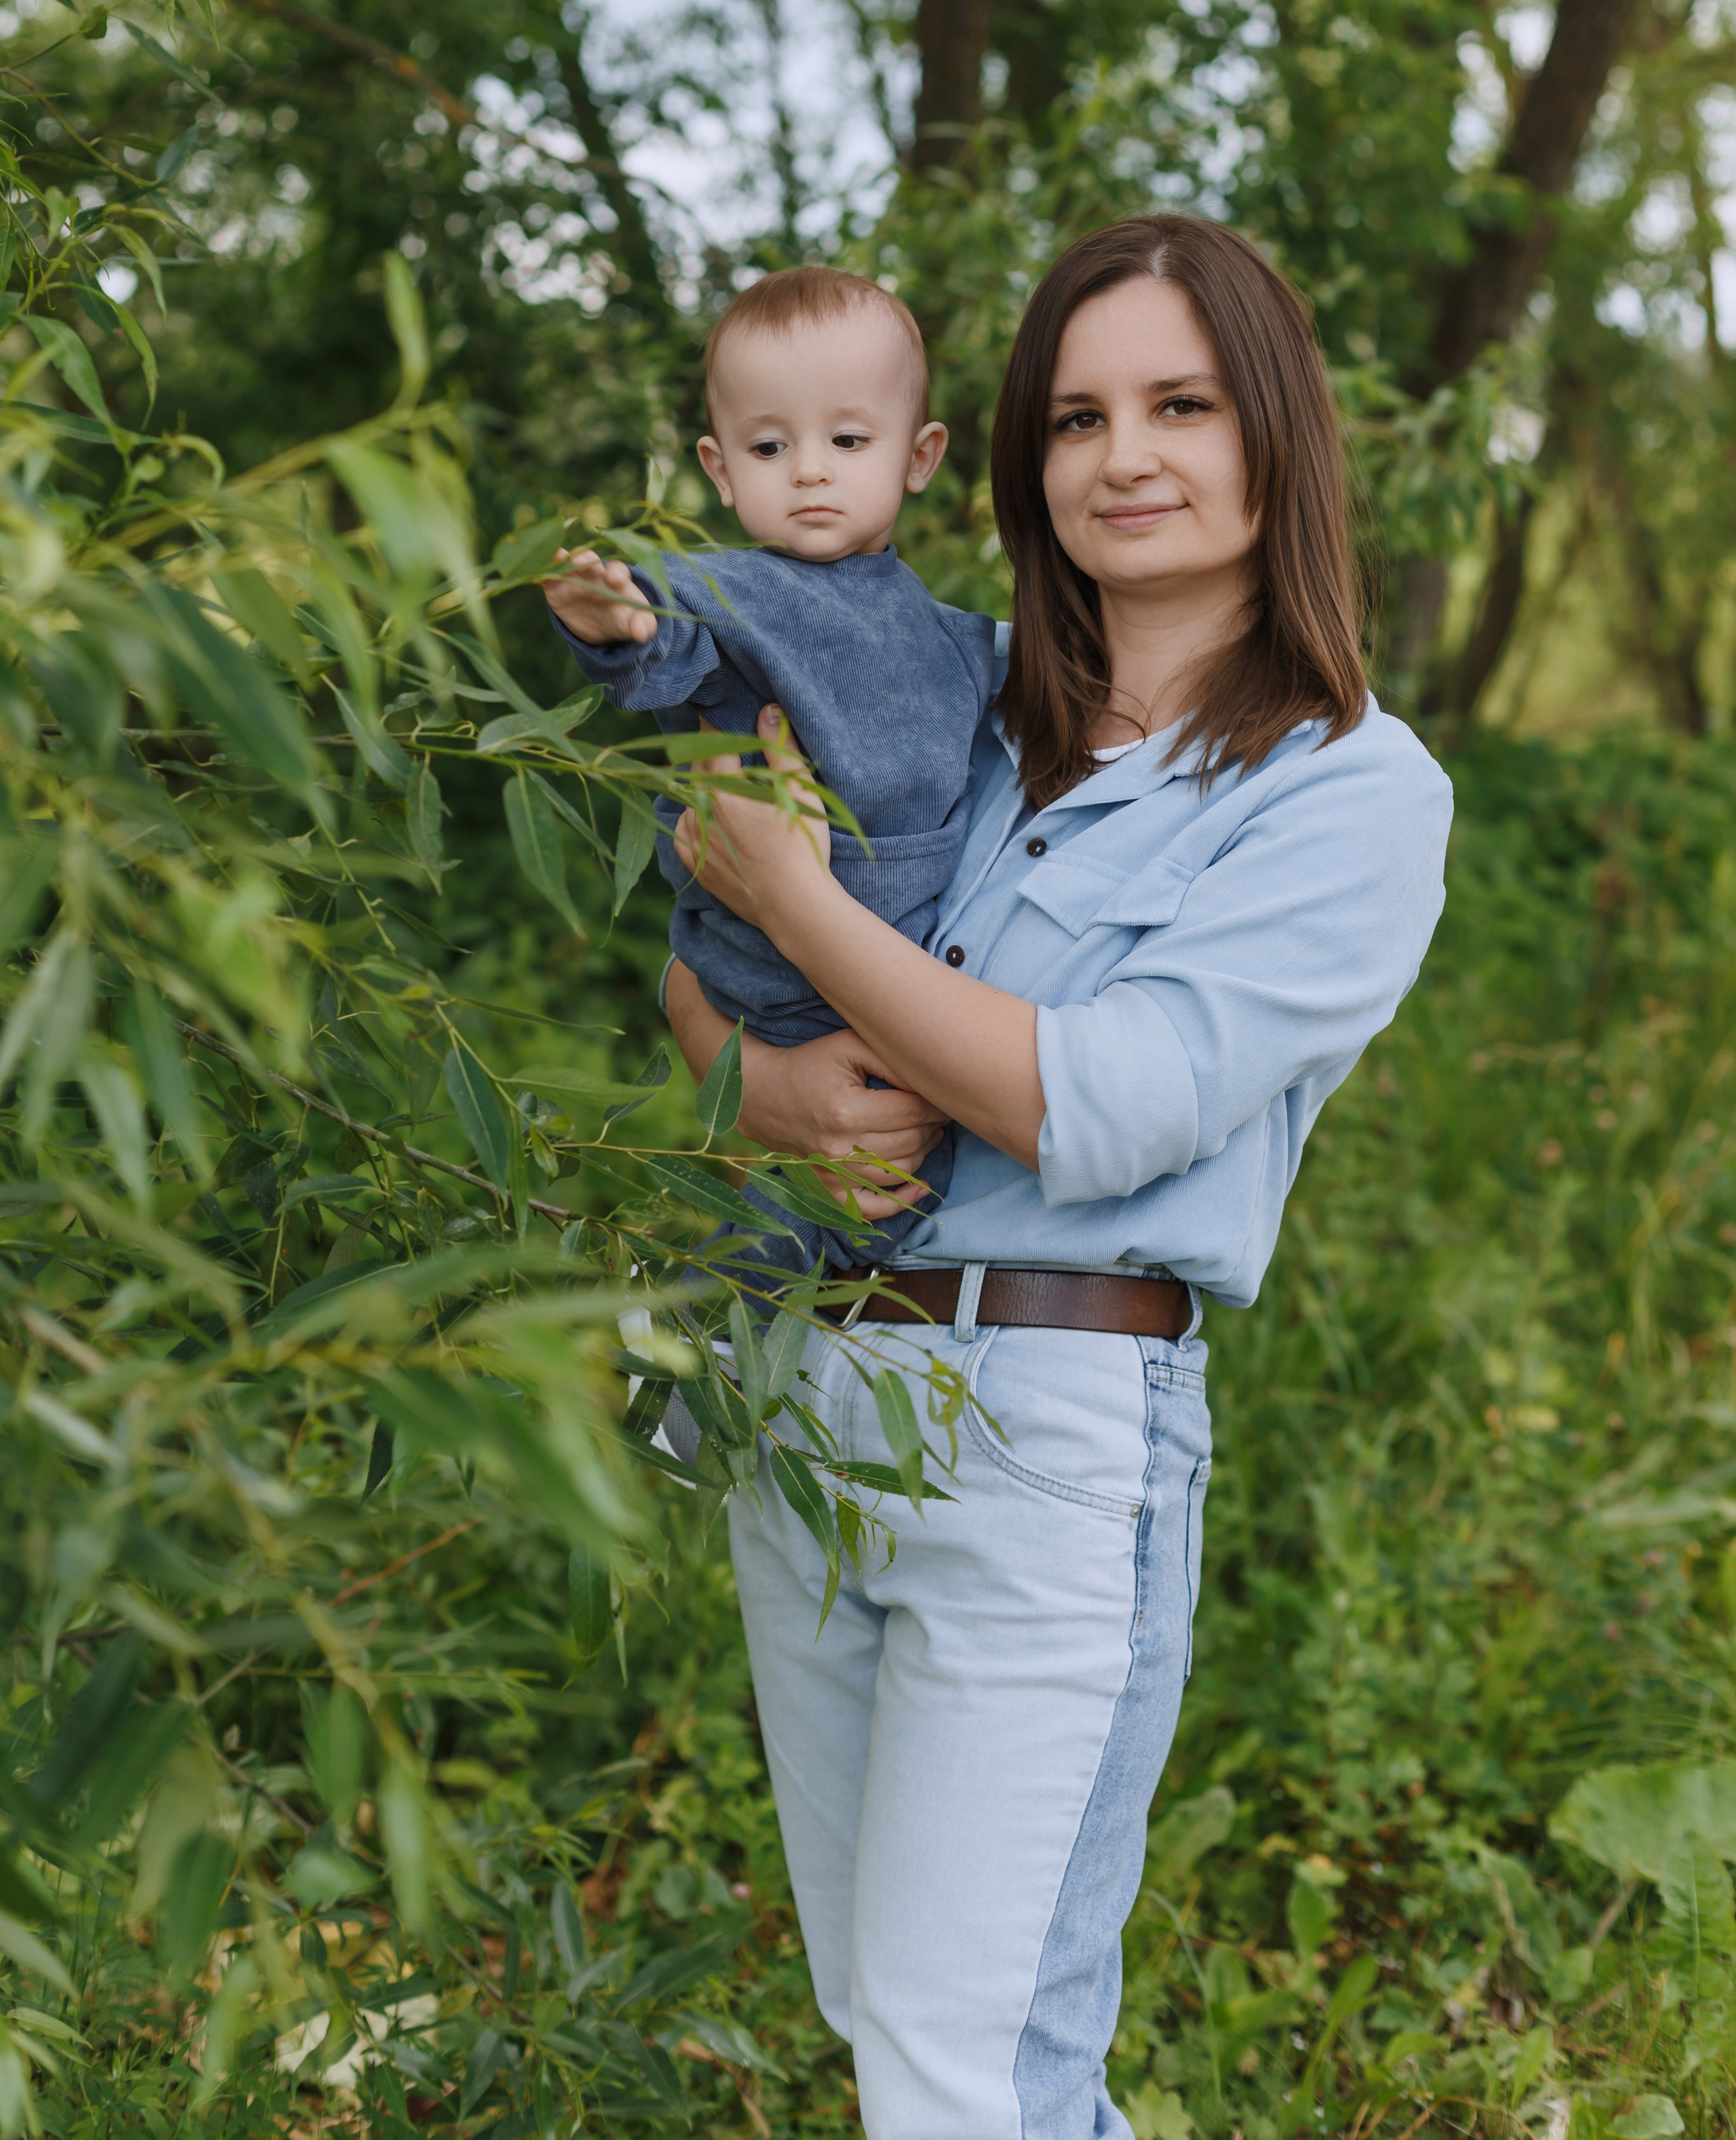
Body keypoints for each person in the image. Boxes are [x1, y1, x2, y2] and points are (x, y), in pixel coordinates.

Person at [658, 214, 1455, 2140]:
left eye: (1181, 403)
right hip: (809, 1385)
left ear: (1276, 437)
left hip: (1049, 1421)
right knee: (892, 2020)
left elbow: (1098, 1104)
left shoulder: (1350, 788)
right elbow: (697, 980)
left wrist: (798, 899)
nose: (1125, 456)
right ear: (1015, 462)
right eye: (1079, 416)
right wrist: (768, 1096)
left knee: (972, 2065)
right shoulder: (941, 704)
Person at [542, 265, 995, 1268]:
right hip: (777, 977)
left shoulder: (955, 635)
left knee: (882, 1195)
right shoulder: (732, 590)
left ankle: (757, 1359)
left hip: (897, 968)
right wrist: (614, 620)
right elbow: (661, 626)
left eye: (847, 439)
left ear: (920, 456)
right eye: (769, 445)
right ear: (719, 468)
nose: (810, 472)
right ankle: (723, 1388)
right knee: (802, 1228)